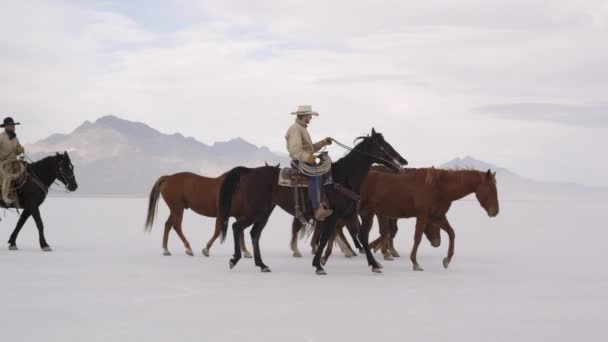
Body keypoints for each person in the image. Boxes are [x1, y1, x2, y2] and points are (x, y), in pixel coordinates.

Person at [285, 105, 333, 221]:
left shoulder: (302, 128)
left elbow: (309, 149)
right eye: (310, 115)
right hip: (299, 160)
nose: (311, 118)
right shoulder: (295, 129)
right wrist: (308, 158)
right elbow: (296, 150)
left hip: (304, 158)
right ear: (304, 116)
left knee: (323, 168)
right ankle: (317, 208)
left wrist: (323, 142)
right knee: (316, 173)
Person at [0, 117, 25, 205]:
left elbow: (17, 152)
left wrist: (20, 149)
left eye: (13, 125)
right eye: (11, 125)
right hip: (2, 162)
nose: (13, 127)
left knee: (25, 169)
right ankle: (5, 196)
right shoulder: (1, 137)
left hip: (13, 161)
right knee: (8, 173)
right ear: (6, 126)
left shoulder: (15, 137)